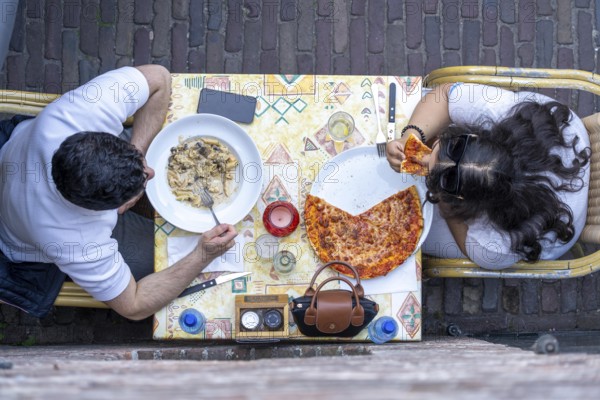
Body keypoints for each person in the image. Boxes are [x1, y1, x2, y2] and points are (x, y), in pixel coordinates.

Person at [0, 65, 238, 320]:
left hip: (14, 159)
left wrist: (139, 152)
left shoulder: (81, 114)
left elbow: (159, 77)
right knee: (170, 257)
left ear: (99, 137)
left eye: (139, 165)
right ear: (101, 210)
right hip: (20, 237)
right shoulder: (74, 239)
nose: (152, 174)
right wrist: (203, 255)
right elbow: (134, 306)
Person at [386, 83, 591, 270]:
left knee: (401, 234)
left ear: (465, 204)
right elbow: (444, 96)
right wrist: (411, 135)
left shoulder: (497, 245)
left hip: (548, 232)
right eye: (446, 146)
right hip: (571, 145)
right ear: (474, 136)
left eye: (441, 179)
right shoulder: (501, 111)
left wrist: (445, 205)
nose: (424, 159)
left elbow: (469, 246)